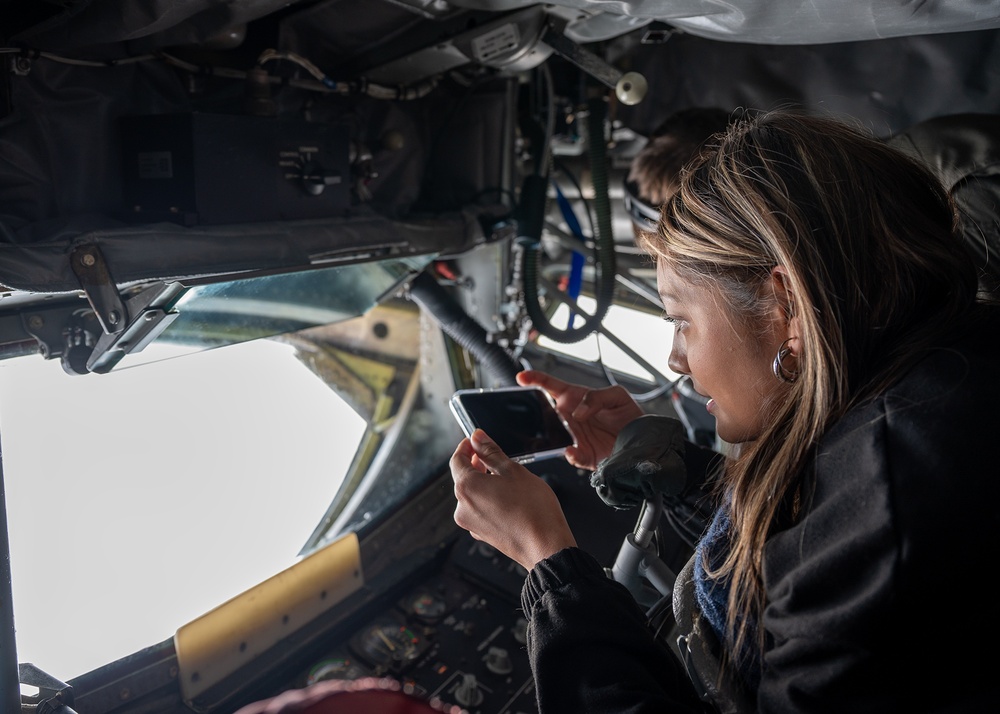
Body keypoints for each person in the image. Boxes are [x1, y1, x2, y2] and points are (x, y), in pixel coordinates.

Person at [449, 109, 1000, 712]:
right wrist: (677, 470)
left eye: (682, 320)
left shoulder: (891, 510)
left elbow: (829, 539)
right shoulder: (931, 368)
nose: (676, 359)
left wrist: (547, 559)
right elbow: (803, 524)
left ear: (785, 303)